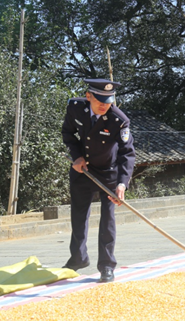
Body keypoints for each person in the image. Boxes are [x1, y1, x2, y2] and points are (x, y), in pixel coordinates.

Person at [61, 78, 136, 282]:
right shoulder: (75, 108)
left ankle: (106, 265)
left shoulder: (119, 120)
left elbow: (127, 154)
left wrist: (122, 183)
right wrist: (76, 156)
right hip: (82, 169)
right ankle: (78, 258)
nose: (105, 105)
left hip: (108, 172)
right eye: (100, 100)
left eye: (109, 100)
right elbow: (68, 133)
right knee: (78, 215)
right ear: (88, 96)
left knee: (108, 218)